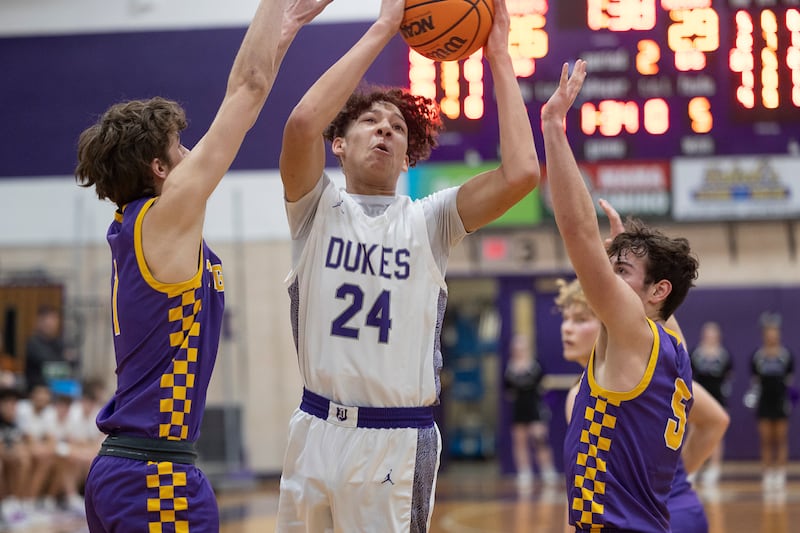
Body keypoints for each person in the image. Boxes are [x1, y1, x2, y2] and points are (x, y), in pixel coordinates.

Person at [276, 0, 541, 530]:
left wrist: (499, 57)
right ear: (340, 145)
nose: (384, 131)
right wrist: (384, 27)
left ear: (408, 153)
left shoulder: (430, 220)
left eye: (396, 127)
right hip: (313, 428)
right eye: (369, 122)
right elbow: (302, 122)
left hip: (394, 438)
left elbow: (522, 173)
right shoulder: (315, 208)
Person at [74, 1, 333, 531]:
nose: (194, 153)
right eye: (180, 146)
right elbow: (248, 89)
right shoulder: (162, 219)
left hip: (129, 468)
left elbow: (252, 81)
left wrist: (281, 33)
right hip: (155, 475)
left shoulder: (137, 227)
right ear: (159, 168)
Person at [542, 59, 701, 532]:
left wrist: (553, 126)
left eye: (622, 272)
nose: (607, 280)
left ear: (658, 291)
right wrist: (619, 261)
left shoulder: (633, 332)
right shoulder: (672, 347)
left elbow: (576, 230)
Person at [556, 277, 729, 533]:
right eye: (566, 318)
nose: (567, 328)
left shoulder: (584, 396)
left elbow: (582, 486)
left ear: (609, 322)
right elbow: (716, 419)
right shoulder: (659, 369)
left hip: (646, 520)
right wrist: (664, 480)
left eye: (581, 320)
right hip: (682, 512)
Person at [503, 333, 557, 491]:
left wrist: (546, 405)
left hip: (535, 407)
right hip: (519, 408)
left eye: (522, 347)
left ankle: (547, 470)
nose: (519, 350)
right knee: (520, 441)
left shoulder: (535, 366)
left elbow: (546, 386)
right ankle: (524, 472)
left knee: (540, 440)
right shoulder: (509, 368)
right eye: (516, 347)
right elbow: (507, 390)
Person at [750, 311, 795, 490]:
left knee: (781, 437)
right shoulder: (758, 357)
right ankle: (768, 472)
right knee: (766, 438)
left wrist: (790, 400)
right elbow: (755, 381)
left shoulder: (786, 356)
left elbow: (790, 380)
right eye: (769, 333)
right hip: (764, 401)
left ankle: (781, 472)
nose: (772, 336)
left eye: (775, 332)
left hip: (780, 400)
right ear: (764, 335)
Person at [690, 320, 733, 485]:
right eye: (708, 334)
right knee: (694, 429)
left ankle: (714, 468)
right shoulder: (696, 353)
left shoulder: (723, 355)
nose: (710, 337)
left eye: (713, 334)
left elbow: (729, 376)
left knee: (717, 433)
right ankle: (694, 467)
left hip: (717, 398)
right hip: (699, 397)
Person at [24, 306, 76, 392]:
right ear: (39, 322)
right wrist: (64, 360)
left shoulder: (60, 342)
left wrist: (63, 363)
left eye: (55, 320)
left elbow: (75, 362)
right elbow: (47, 363)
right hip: (38, 390)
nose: (52, 324)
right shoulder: (33, 343)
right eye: (49, 320)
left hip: (60, 390)